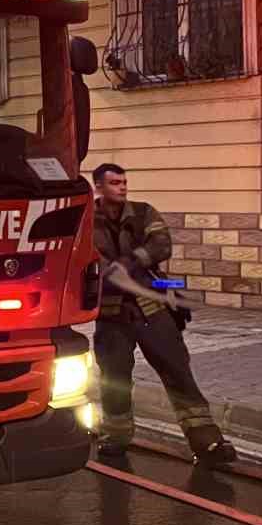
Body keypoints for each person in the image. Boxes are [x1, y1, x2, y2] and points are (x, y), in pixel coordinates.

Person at [90, 163, 235, 467]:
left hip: (152, 311)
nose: (123, 187)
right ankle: (114, 440)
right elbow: (85, 256)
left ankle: (208, 444)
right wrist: (105, 269)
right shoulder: (85, 220)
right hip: (112, 315)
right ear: (99, 187)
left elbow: (161, 244)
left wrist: (129, 262)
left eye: (125, 181)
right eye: (115, 182)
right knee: (114, 381)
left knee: (179, 374)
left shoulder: (144, 212)